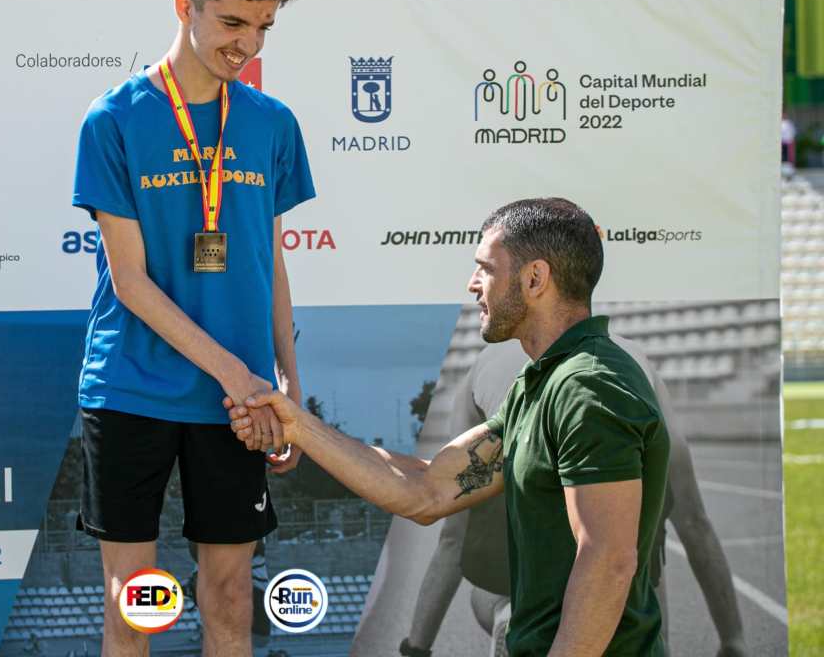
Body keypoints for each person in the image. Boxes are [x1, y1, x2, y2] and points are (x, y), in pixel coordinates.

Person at [228, 197, 671, 656]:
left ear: (535, 278)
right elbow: (427, 488)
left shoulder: (589, 387)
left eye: (485, 268)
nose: (473, 284)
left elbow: (608, 561)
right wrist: (297, 425)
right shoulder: (543, 382)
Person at [70, 0, 314, 656]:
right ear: (186, 7)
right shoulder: (112, 119)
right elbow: (132, 283)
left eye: (264, 25)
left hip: (237, 403)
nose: (248, 42)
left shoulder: (272, 123)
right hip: (133, 387)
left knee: (233, 597)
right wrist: (240, 376)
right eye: (233, 20)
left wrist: (288, 387)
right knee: (132, 606)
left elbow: (270, 260)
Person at [391, 335, 747, 657]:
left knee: (486, 584)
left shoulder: (485, 363)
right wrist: (733, 641)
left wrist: (416, 648)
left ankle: (508, 610)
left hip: (522, 487)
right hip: (618, 486)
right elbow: (695, 524)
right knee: (644, 551)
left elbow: (453, 537)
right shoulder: (633, 357)